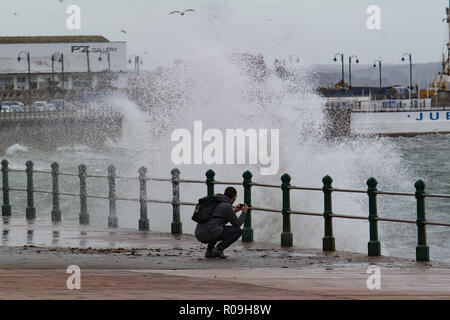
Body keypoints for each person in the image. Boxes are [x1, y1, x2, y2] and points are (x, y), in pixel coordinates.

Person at [194, 186, 249, 259]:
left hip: (199, 233)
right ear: (234, 197)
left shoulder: (215, 201)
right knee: (238, 231)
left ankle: (209, 251)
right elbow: (237, 224)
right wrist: (244, 212)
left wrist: (234, 211)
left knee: (215, 227)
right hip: (209, 232)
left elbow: (219, 217)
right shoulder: (227, 206)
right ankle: (218, 249)